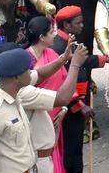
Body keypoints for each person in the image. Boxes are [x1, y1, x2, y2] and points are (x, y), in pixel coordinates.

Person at [0, 44, 86, 173]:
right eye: (27, 70)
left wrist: (63, 59)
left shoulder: (13, 92)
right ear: (16, 78)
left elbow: (39, 74)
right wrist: (75, 65)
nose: (31, 71)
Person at [52, 6, 109, 173]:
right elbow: (61, 81)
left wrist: (106, 59)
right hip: (69, 108)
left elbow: (84, 61)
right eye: (78, 22)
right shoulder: (59, 48)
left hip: (77, 104)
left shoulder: (69, 42)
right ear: (66, 25)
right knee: (71, 149)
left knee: (76, 147)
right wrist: (80, 106)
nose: (82, 25)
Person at [24, 17, 70, 173]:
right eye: (51, 32)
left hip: (57, 117)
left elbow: (64, 83)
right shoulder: (26, 61)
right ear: (41, 37)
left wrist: (63, 109)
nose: (54, 35)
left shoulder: (52, 53)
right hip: (37, 121)